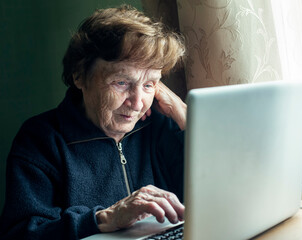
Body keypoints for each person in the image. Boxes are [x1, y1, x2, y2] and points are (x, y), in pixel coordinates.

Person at [0, 5, 187, 240]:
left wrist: (185, 116)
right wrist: (105, 218)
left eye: (149, 84)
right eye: (121, 82)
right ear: (79, 75)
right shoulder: (40, 140)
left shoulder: (161, 127)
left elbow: (224, 194)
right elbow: (20, 233)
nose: (138, 103)